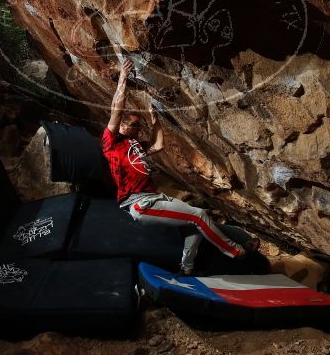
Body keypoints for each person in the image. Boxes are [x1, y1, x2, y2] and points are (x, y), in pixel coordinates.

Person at [102, 58, 258, 275]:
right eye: (134, 125)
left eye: (139, 126)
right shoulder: (112, 143)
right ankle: (236, 251)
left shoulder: (136, 144)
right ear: (122, 125)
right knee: (199, 215)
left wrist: (155, 121)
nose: (137, 129)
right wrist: (122, 79)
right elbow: (116, 110)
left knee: (192, 223)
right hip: (140, 203)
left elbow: (158, 145)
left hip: (155, 197)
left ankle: (187, 268)